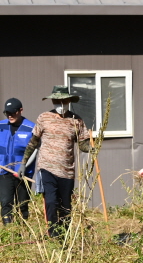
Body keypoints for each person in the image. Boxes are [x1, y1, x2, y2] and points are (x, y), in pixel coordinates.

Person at [17, 86, 91, 236]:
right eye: (57, 101)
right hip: (47, 168)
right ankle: (53, 233)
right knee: (51, 202)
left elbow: (82, 143)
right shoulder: (44, 117)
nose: (60, 104)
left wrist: (91, 148)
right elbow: (33, 142)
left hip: (67, 171)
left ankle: (63, 236)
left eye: (63, 101)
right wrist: (24, 163)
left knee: (65, 206)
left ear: (69, 101)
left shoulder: (76, 120)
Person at [0, 98, 35, 224]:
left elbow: (35, 150)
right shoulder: (1, 126)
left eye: (13, 112)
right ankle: (9, 231)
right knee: (5, 203)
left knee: (23, 205)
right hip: (4, 171)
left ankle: (23, 230)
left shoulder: (31, 128)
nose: (10, 116)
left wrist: (25, 166)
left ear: (20, 111)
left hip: (23, 174)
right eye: (7, 113)